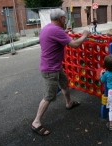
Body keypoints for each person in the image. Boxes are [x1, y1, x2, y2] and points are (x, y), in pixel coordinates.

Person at [31, 8, 90, 136]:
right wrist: (85, 35)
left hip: (55, 66)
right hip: (50, 69)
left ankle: (69, 103)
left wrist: (64, 33)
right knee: (49, 96)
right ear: (61, 19)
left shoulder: (48, 28)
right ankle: (36, 121)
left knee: (64, 84)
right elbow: (74, 44)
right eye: (64, 18)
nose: (65, 19)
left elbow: (54, 38)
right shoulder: (57, 31)